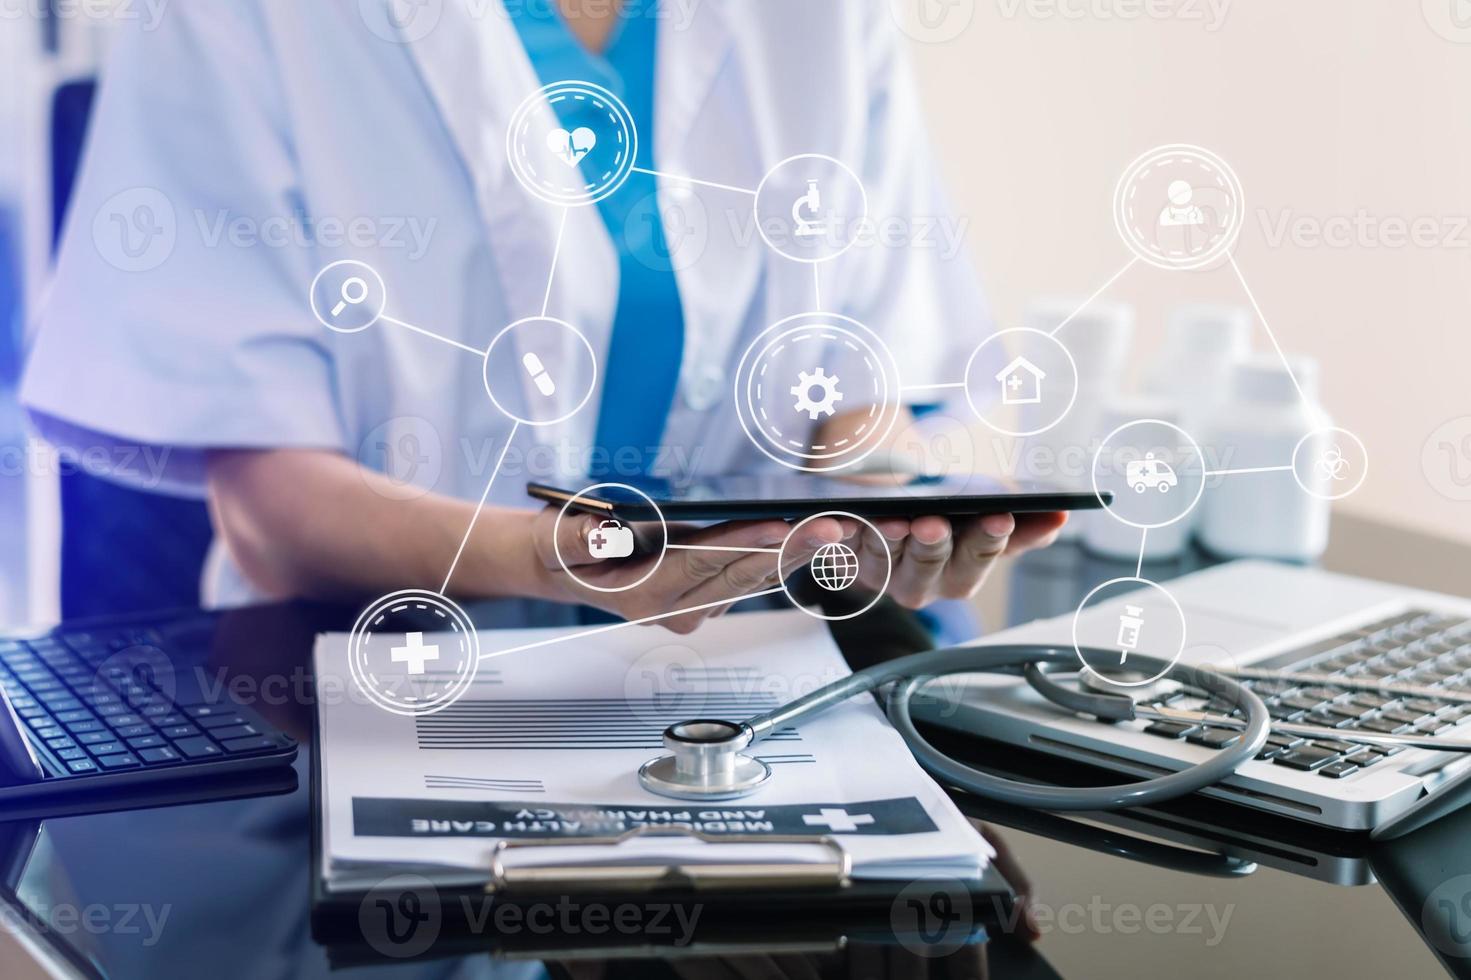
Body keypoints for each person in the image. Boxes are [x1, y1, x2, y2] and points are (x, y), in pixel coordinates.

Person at [21, 0, 1064, 633]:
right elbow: (269, 514)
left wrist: (881, 509)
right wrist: (550, 555)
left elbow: (852, 390)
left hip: (742, 671)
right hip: (371, 666)